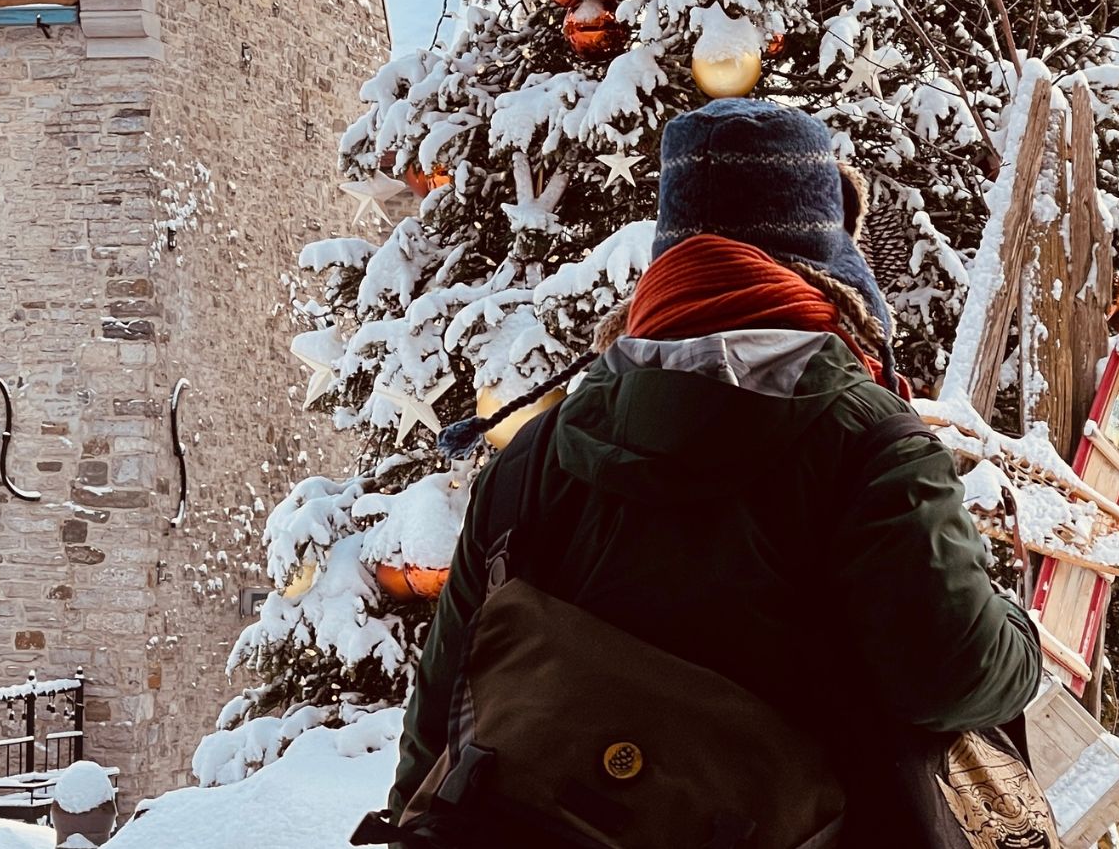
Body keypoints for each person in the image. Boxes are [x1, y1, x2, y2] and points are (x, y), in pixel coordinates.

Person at [382, 99, 1042, 847]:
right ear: (827, 271)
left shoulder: (533, 458)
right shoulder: (869, 442)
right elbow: (954, 674)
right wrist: (1019, 628)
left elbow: (441, 710)